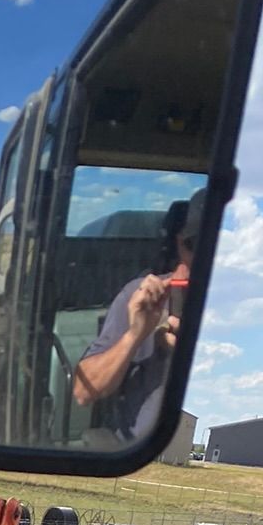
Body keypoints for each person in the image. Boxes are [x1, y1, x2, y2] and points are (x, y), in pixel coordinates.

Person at [73, 188, 204, 444]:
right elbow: (84, 391)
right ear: (179, 243)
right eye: (195, 244)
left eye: (215, 248)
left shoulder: (245, 309)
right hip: (134, 452)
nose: (202, 258)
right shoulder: (142, 297)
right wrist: (137, 334)